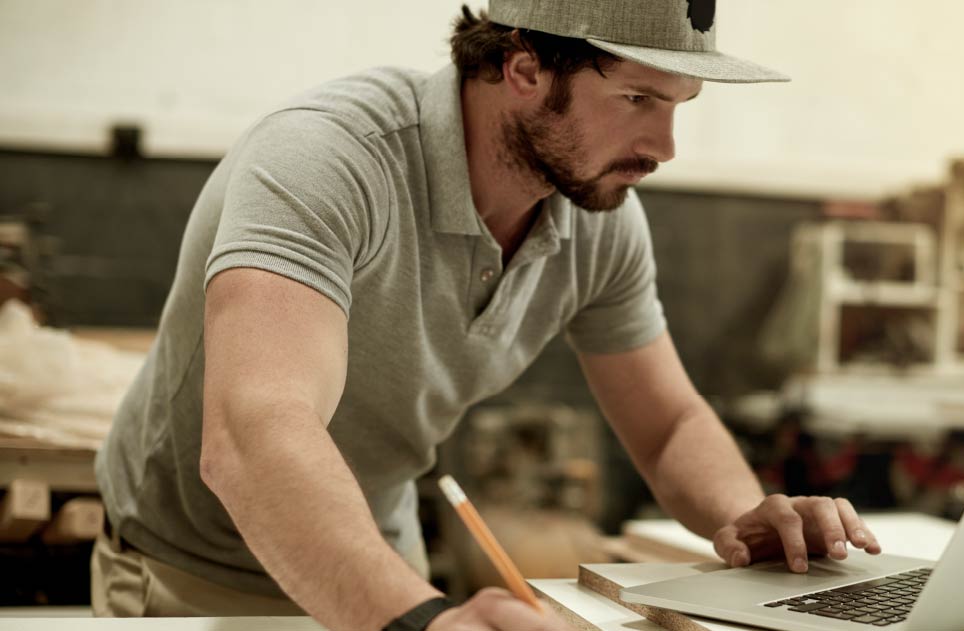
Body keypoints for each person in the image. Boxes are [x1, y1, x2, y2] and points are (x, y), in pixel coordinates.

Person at [91, 1, 883, 630]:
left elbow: (668, 421)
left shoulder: (597, 216)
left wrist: (746, 518)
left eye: (678, 104)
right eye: (637, 97)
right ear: (524, 67)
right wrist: (421, 621)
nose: (664, 145)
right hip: (192, 578)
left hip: (380, 563)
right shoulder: (325, 158)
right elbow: (252, 432)